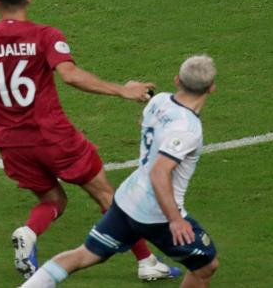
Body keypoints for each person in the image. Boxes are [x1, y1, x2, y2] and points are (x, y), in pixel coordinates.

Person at [0, 0, 180, 281]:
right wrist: (122, 90)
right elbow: (69, 75)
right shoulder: (45, 35)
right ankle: (147, 262)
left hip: (11, 143)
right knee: (108, 197)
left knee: (54, 200)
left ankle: (28, 233)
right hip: (53, 136)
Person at [20, 55, 220, 288]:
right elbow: (159, 173)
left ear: (177, 80)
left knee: (83, 254)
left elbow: (149, 123)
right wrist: (175, 220)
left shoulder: (160, 101)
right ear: (212, 88)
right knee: (206, 265)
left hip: (127, 200)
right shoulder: (188, 129)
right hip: (157, 214)